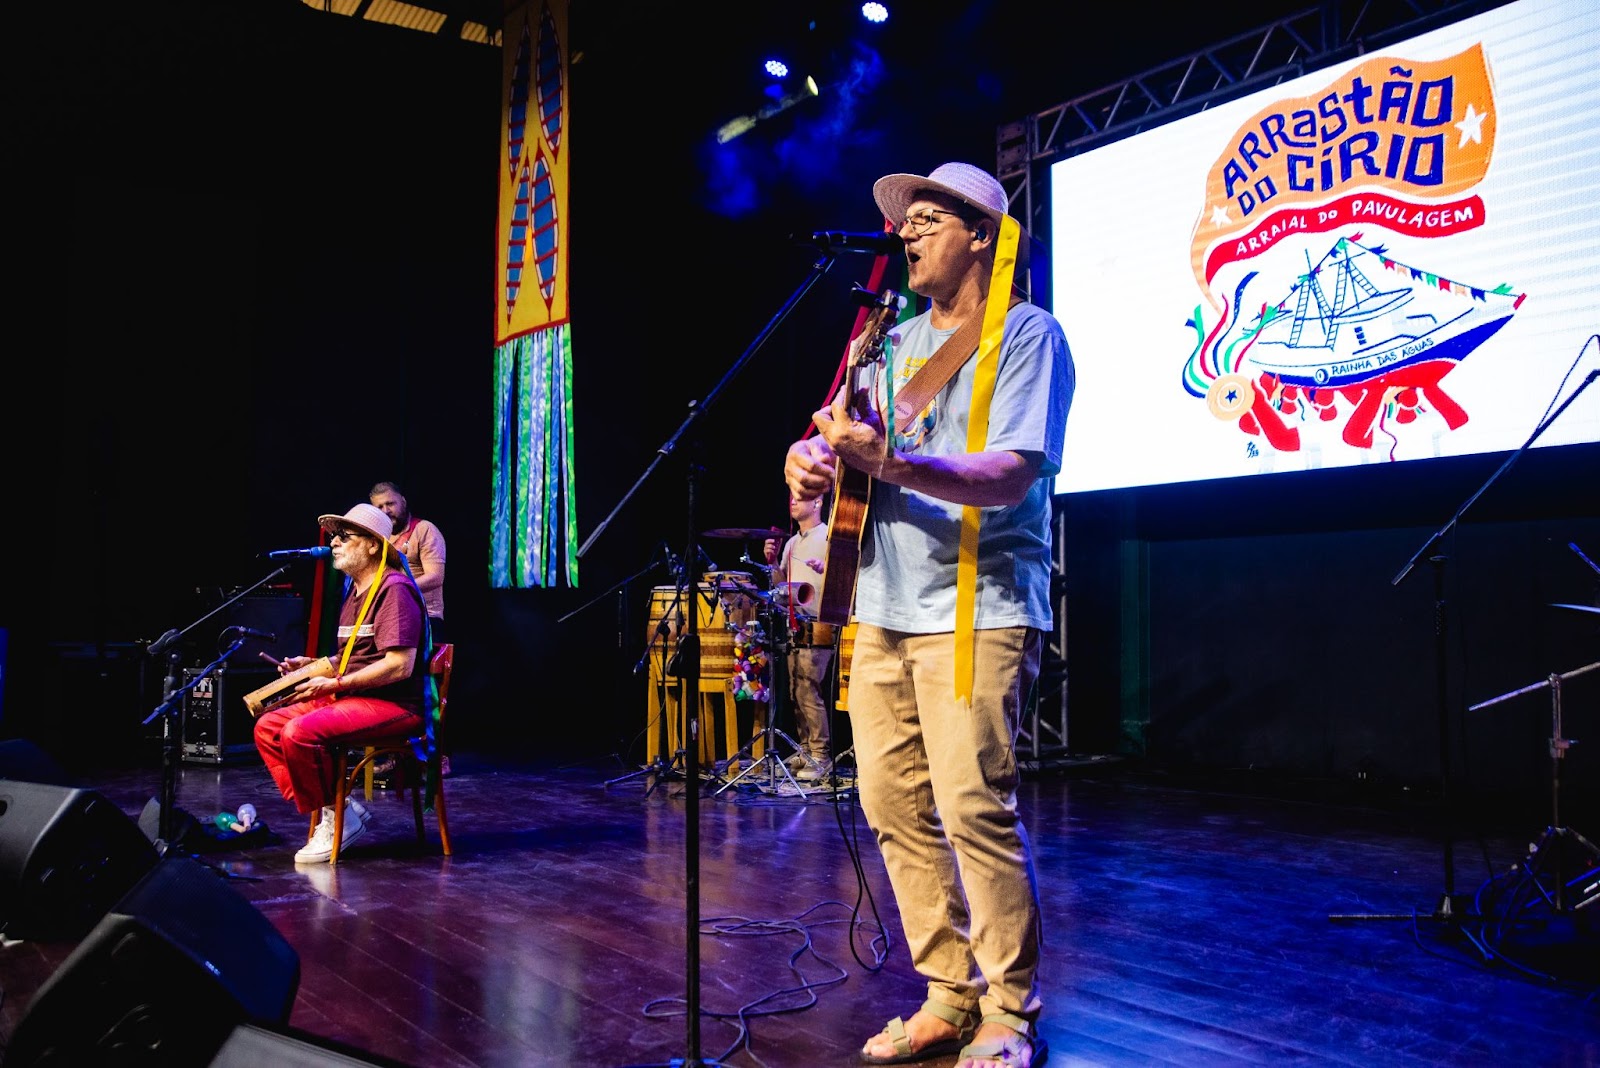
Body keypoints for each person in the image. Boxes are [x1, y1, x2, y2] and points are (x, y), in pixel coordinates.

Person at [783, 162, 1072, 1068]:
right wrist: (806, 461)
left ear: (981, 233)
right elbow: (830, 437)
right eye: (903, 222)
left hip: (976, 608)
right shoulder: (888, 340)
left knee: (971, 805)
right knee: (889, 804)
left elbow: (1015, 469)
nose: (905, 232)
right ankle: (948, 991)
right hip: (879, 606)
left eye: (929, 218)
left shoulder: (1028, 336)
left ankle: (1010, 1009)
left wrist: (892, 465)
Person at [253, 503, 431, 863]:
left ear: (372, 545)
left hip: (395, 705)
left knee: (299, 732)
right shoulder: (354, 592)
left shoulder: (393, 589)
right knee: (269, 726)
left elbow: (399, 665)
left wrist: (335, 684)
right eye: (334, 536)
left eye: (343, 536)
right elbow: (350, 657)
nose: (333, 542)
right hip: (357, 697)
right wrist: (312, 668)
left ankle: (336, 819)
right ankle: (339, 810)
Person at [762, 492, 834, 781]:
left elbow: (846, 577)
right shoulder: (792, 543)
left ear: (817, 502)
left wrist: (825, 569)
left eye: (800, 497)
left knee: (808, 691)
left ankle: (821, 755)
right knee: (794, 691)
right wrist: (772, 564)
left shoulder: (828, 535)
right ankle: (804, 749)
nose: (791, 501)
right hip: (796, 625)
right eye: (789, 497)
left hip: (819, 623)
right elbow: (782, 591)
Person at [369, 480, 447, 643]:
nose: (386, 511)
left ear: (403, 502)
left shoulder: (424, 529)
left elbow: (435, 577)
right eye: (380, 507)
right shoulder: (377, 537)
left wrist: (394, 590)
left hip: (423, 618)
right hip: (386, 617)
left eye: (390, 504)